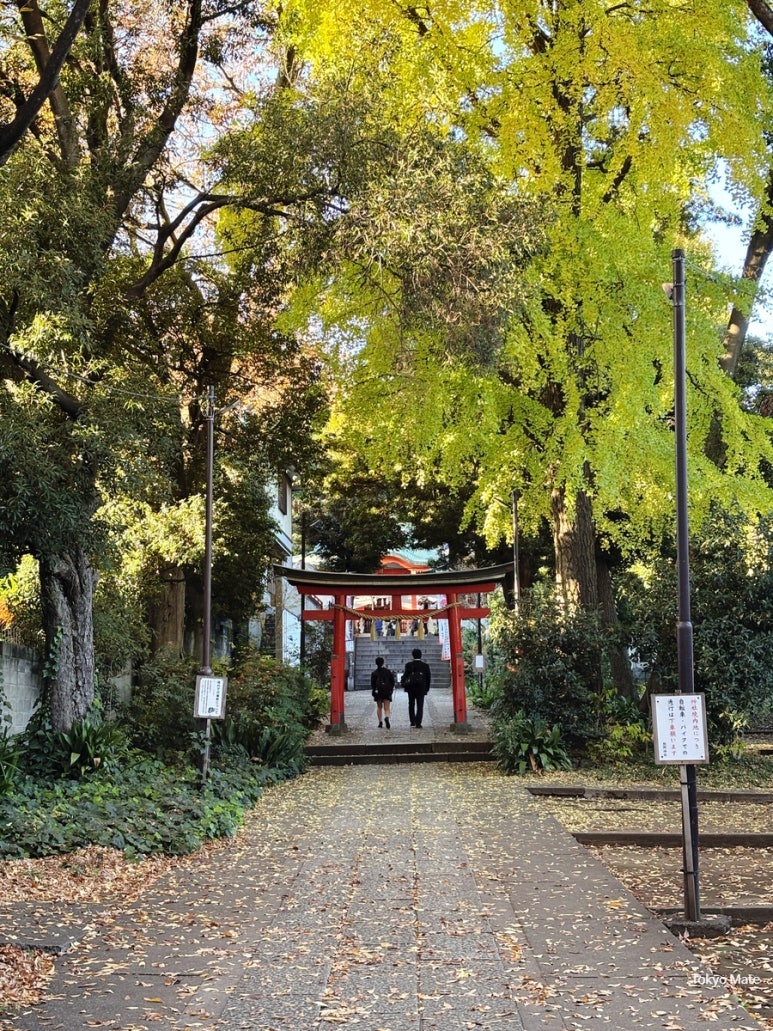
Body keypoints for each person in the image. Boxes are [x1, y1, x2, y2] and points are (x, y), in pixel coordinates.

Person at [401, 647, 431, 729]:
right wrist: (427, 688)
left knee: (411, 704)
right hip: (421, 688)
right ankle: (418, 723)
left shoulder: (409, 665)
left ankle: (412, 721)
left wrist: (403, 684)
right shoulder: (425, 666)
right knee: (420, 705)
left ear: (413, 655)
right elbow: (428, 678)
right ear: (421, 655)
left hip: (411, 687)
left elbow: (405, 676)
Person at [371, 656, 395, 729]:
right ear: (383, 663)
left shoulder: (374, 673)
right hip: (386, 691)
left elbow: (372, 684)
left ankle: (380, 722)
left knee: (379, 707)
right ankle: (387, 717)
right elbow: (392, 682)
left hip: (378, 691)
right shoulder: (388, 672)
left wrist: (374, 690)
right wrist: (390, 689)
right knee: (387, 707)